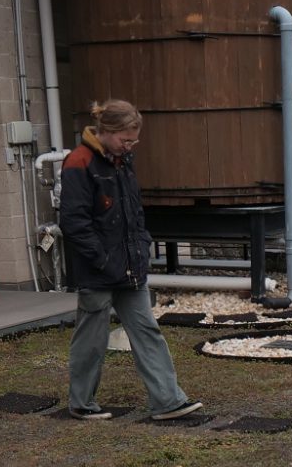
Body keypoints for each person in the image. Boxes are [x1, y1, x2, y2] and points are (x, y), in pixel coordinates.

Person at [59, 99, 202, 421]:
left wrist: (141, 243)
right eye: (126, 139)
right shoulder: (78, 163)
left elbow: (134, 211)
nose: (130, 145)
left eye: (133, 140)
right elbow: (74, 223)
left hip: (130, 266)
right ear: (106, 131)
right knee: (91, 340)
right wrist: (103, 260)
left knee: (147, 331)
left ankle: (168, 402)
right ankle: (81, 403)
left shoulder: (123, 161)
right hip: (98, 272)